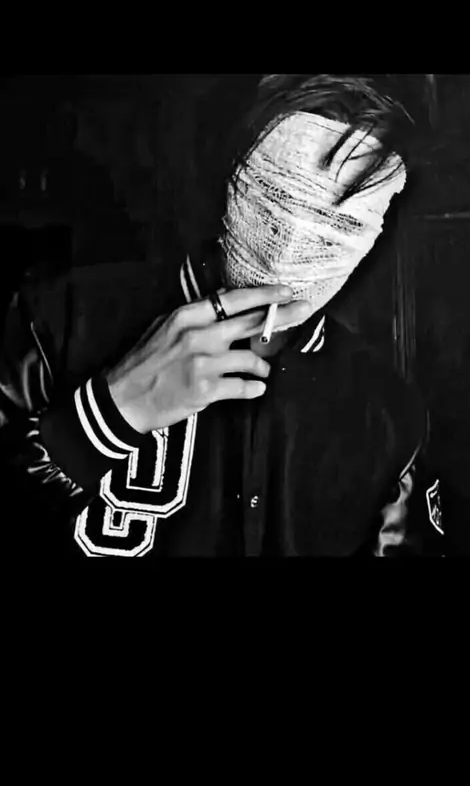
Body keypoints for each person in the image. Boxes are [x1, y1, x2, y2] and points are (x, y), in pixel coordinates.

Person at [0, 74, 444, 556]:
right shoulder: (57, 320)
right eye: (277, 196)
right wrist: (110, 415)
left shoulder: (389, 416)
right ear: (235, 167)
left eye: (336, 222)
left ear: (375, 229)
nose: (292, 241)